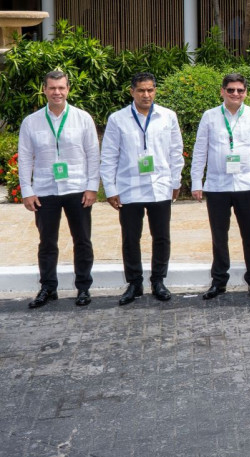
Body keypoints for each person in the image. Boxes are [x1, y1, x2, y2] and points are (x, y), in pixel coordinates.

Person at [100, 72, 184, 307]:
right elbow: (108, 155)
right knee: (130, 238)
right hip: (129, 187)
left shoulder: (168, 117)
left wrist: (175, 182)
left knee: (161, 237)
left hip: (160, 186)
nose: (146, 95)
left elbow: (176, 152)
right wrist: (110, 188)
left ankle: (158, 280)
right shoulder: (118, 119)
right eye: (141, 90)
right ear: (132, 92)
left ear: (155, 90)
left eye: (150, 90)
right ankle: (135, 282)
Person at [19, 70, 100, 309]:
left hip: (77, 188)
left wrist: (92, 187)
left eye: (61, 87)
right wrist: (27, 190)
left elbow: (93, 154)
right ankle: (48, 288)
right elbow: (24, 158)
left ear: (68, 89)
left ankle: (83, 287)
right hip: (45, 190)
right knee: (47, 242)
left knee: (82, 240)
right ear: (44, 89)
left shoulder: (82, 118)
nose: (57, 92)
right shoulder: (31, 122)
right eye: (52, 88)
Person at [191, 72, 250, 300]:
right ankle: (219, 282)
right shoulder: (209, 116)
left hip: (247, 184)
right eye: (231, 90)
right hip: (217, 186)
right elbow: (200, 151)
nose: (235, 94)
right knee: (219, 237)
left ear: (246, 92)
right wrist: (196, 181)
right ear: (222, 91)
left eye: (240, 90)